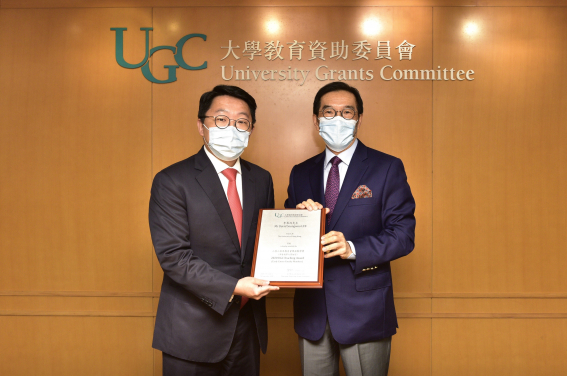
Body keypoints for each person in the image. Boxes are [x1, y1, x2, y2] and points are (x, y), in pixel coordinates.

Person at [284, 82, 416, 376]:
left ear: (359, 119)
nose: (338, 119)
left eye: (347, 113)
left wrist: (352, 248)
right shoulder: (300, 171)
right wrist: (298, 219)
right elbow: (290, 234)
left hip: (365, 309)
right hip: (312, 311)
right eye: (329, 112)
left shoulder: (386, 167)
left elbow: (403, 235)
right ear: (316, 120)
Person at [149, 85, 279, 376]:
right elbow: (174, 257)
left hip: (247, 328)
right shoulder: (172, 180)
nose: (231, 128)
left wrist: (303, 221)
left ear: (251, 129)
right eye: (221, 119)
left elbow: (265, 241)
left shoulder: (261, 179)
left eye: (241, 121)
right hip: (192, 330)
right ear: (201, 125)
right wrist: (233, 287)